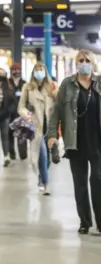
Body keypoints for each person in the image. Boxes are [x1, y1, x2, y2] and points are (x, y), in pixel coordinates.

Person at [47, 50, 101, 235]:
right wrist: (52, 135)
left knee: (98, 179)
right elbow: (56, 111)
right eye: (81, 60)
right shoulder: (67, 85)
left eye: (88, 60)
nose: (84, 63)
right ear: (76, 63)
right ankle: (84, 221)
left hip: (99, 140)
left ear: (93, 63)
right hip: (75, 142)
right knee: (80, 183)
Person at [18, 62, 56, 195]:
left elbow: (57, 105)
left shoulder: (51, 87)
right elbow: (21, 106)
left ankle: (41, 177)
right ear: (33, 72)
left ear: (45, 72)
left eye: (41, 70)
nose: (39, 72)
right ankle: (46, 183)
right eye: (36, 70)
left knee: (48, 158)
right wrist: (27, 114)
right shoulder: (27, 87)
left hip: (49, 127)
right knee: (43, 155)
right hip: (35, 126)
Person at [8, 62, 27, 161]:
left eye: (18, 70)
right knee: (10, 134)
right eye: (14, 70)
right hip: (10, 113)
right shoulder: (8, 83)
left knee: (22, 134)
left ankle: (23, 154)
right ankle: (12, 153)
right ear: (11, 72)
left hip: (21, 113)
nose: (16, 72)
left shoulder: (24, 83)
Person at [0, 67, 16, 167]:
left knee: (5, 136)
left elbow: (14, 102)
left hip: (4, 116)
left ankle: (6, 156)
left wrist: (9, 112)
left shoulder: (8, 88)